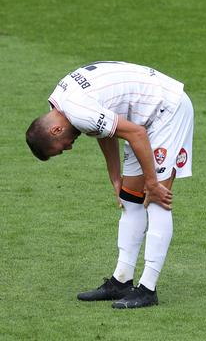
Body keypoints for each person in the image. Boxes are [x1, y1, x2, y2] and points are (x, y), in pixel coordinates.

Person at [26, 61, 194, 306]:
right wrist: (115, 177)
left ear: (55, 130)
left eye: (61, 148)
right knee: (130, 198)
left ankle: (148, 289)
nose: (69, 147)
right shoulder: (60, 103)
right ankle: (121, 281)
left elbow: (136, 134)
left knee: (156, 199)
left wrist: (152, 182)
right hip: (145, 118)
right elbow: (103, 128)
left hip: (168, 110)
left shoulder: (77, 111)